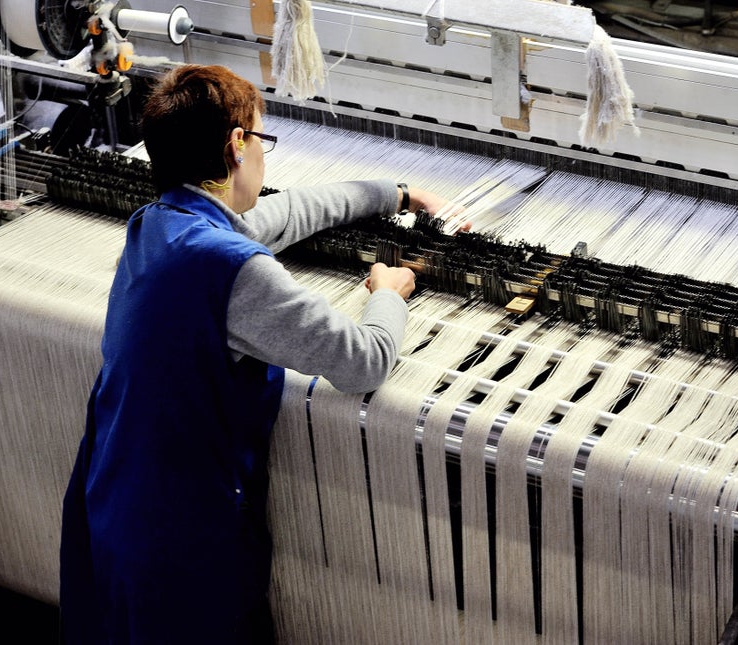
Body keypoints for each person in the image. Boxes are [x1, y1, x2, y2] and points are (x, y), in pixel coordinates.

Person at [59, 63, 458, 643]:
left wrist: (397, 194)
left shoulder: (159, 225)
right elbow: (363, 361)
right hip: (182, 551)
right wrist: (388, 295)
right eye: (263, 141)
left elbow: (287, 212)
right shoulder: (233, 270)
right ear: (236, 146)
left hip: (115, 504)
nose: (265, 159)